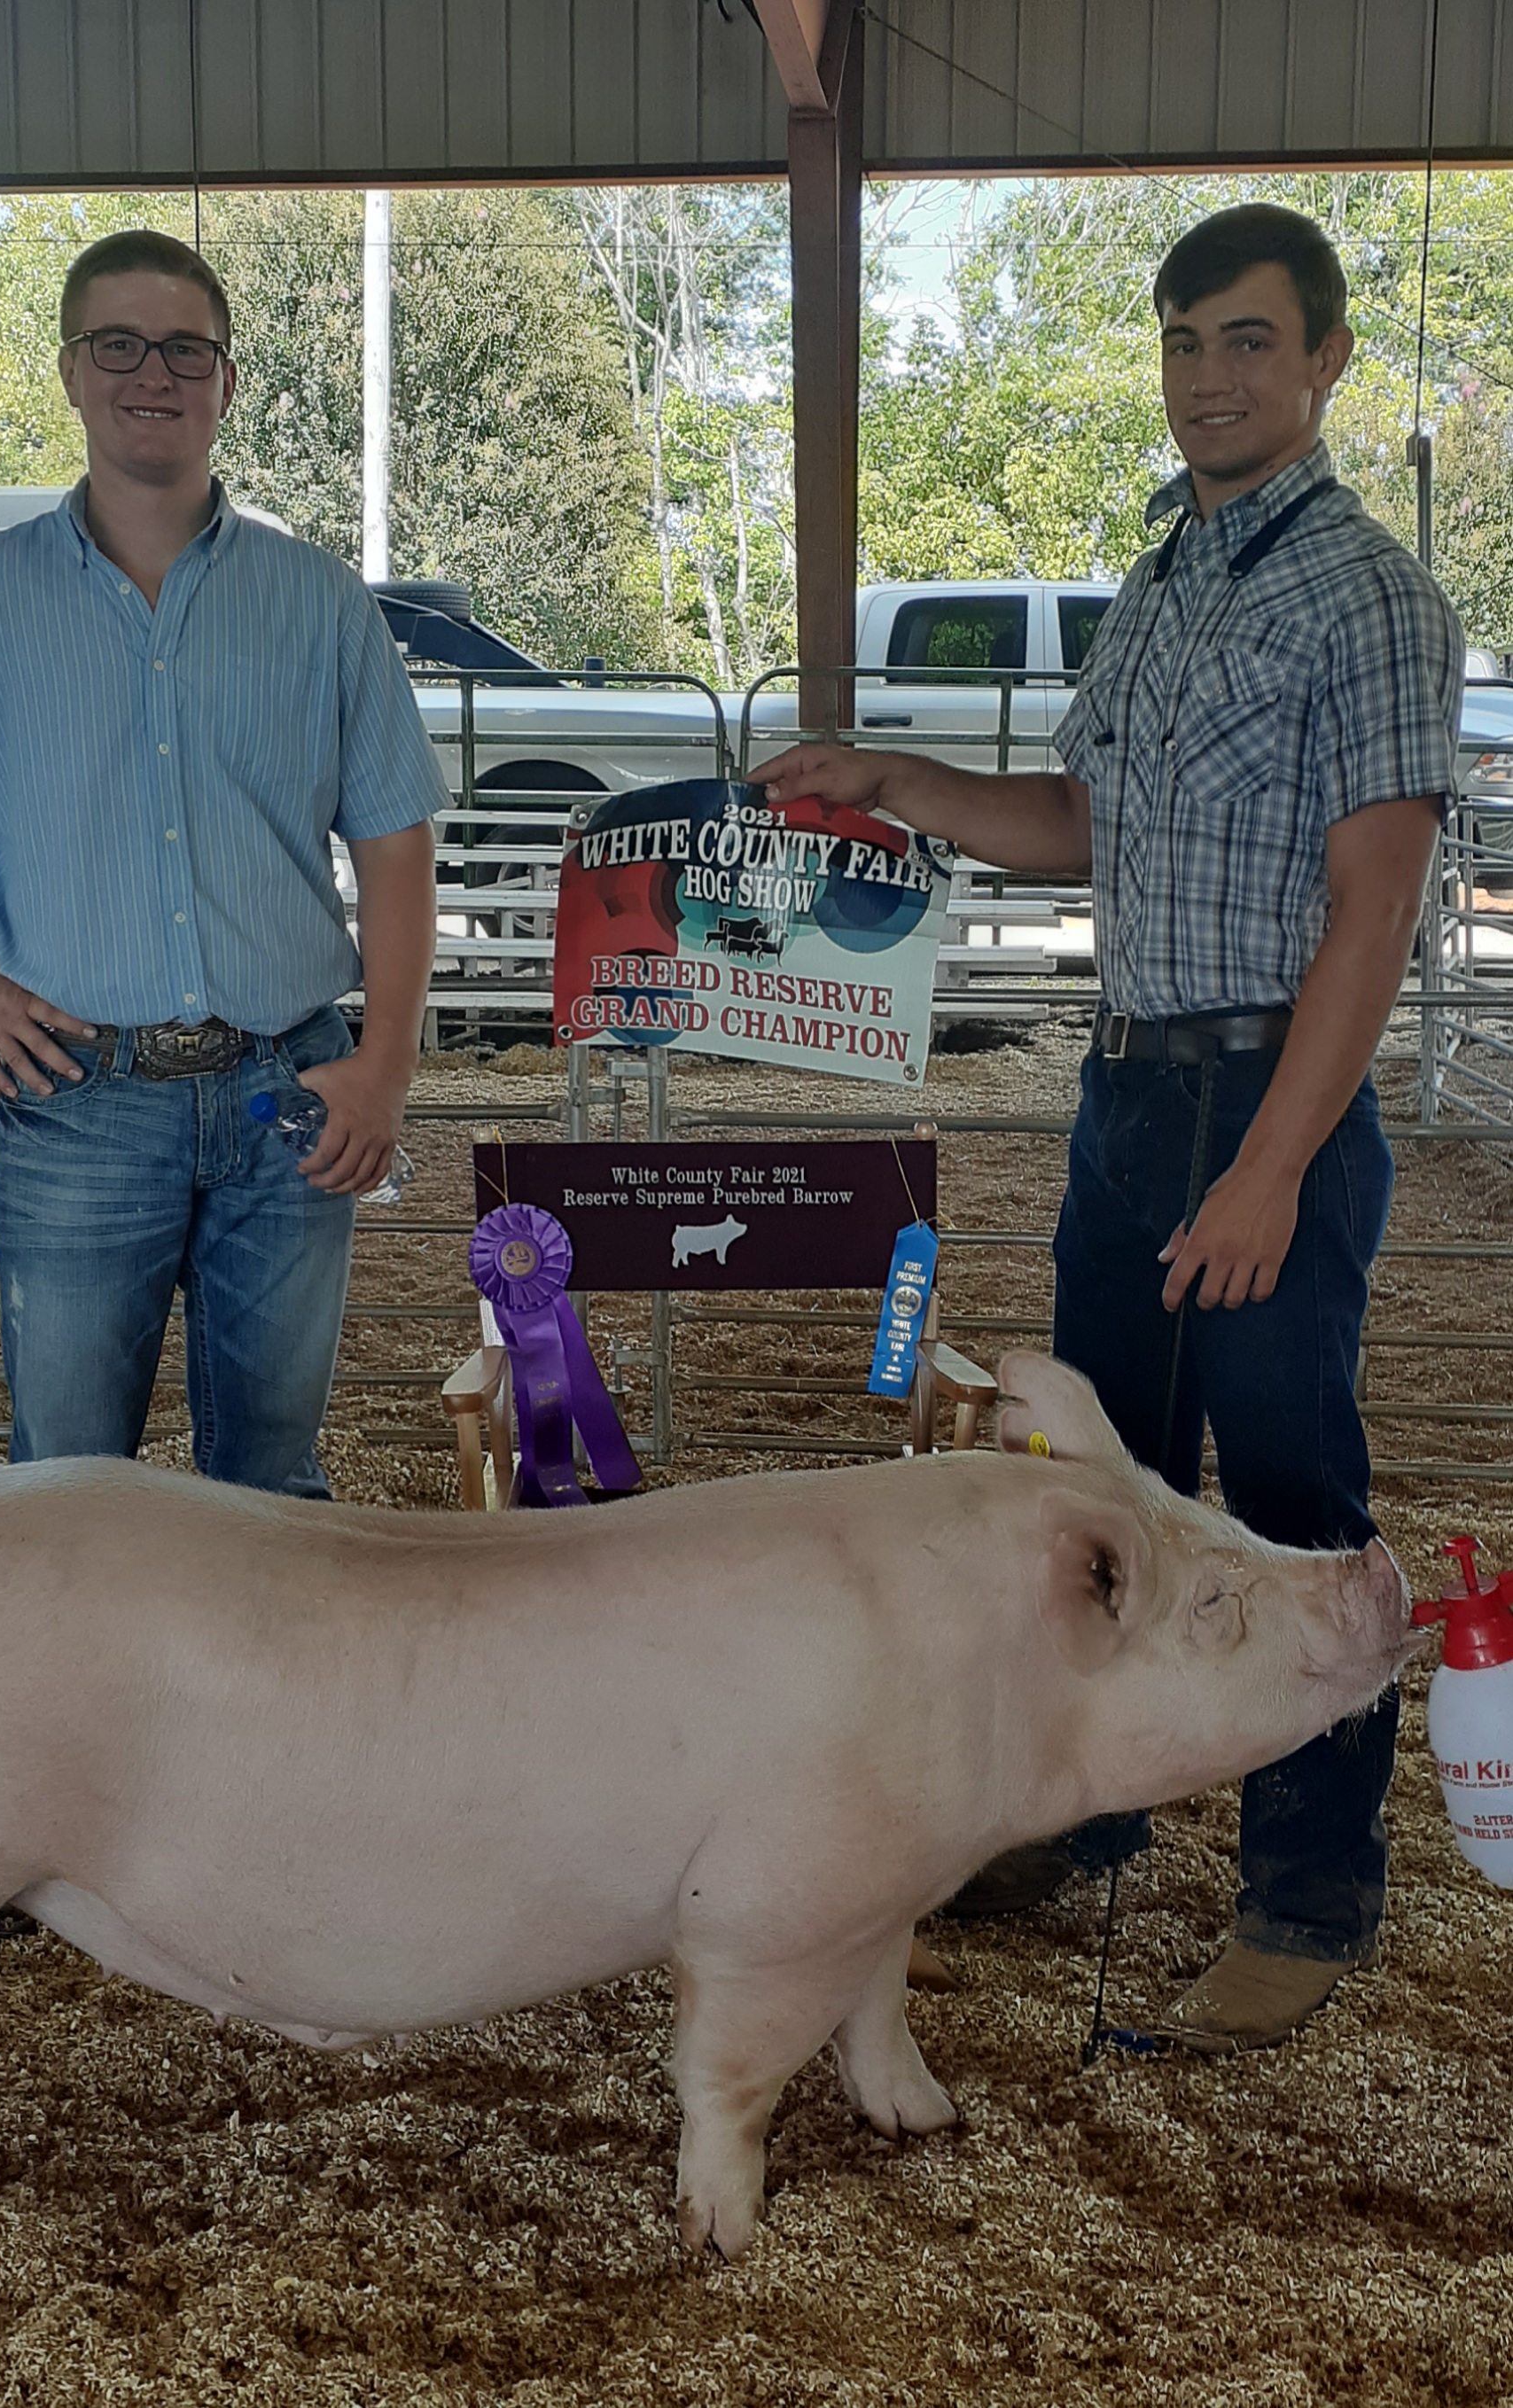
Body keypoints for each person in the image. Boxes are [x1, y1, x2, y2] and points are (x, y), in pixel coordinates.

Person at [757, 203, 1463, 2051]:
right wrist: (890, 780)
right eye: (1180, 341)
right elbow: (1081, 826)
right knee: (1091, 1487)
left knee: (1290, 1505)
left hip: (1261, 1095)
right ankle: (1077, 1812)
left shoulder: (1369, 596)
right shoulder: (1158, 584)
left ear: (1323, 359)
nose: (1206, 377)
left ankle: (1307, 1889)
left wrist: (1269, 1166)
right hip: (1128, 1083)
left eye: (1246, 340)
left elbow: (1373, 905)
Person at [0, 229, 445, 1501]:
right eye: (119, 344)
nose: (154, 373)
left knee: (270, 1484)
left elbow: (396, 845)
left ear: (227, 382)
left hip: (291, 1092)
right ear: (71, 370)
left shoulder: (321, 601)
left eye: (186, 350)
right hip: (77, 1095)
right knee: (64, 1489)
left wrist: (385, 1066)